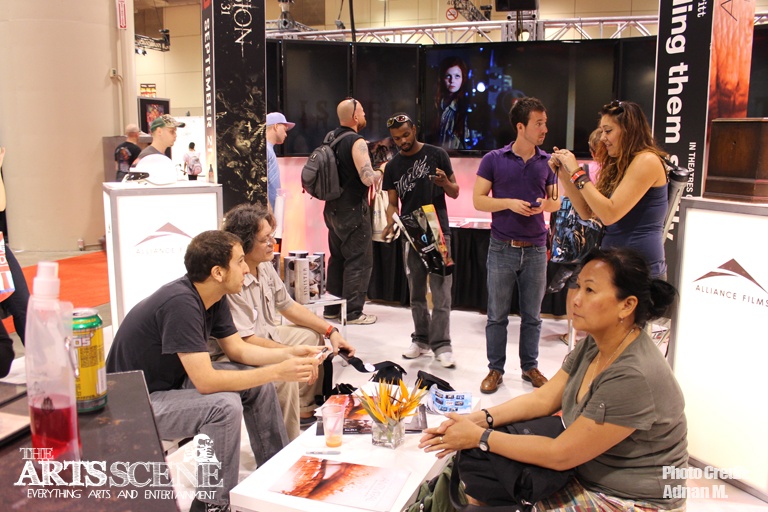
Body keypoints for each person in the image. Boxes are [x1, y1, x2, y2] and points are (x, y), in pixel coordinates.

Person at [419, 247, 687, 511]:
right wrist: (478, 419)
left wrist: (480, 436)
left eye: (590, 290)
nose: (576, 299)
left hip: (629, 498)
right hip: (586, 471)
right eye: (578, 286)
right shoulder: (596, 343)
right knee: (482, 474)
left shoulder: (633, 375)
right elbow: (544, 399)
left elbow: (561, 454)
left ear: (627, 305)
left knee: (491, 468)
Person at [106, 230, 323, 512]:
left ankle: (274, 471)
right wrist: (278, 372)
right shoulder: (181, 304)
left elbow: (238, 350)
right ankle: (212, 503)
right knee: (223, 406)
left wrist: (289, 353)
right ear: (218, 272)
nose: (247, 269)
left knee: (257, 384)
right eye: (240, 262)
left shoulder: (213, 296)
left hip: (168, 386)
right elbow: (206, 381)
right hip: (132, 404)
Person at [221, 203, 357, 440]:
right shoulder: (232, 282)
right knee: (287, 371)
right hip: (238, 351)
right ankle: (285, 443)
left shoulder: (264, 266)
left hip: (265, 336)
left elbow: (288, 306)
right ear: (244, 243)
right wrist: (290, 353)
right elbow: (244, 342)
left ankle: (304, 409)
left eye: (271, 236)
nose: (272, 243)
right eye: (265, 239)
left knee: (310, 336)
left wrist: (331, 331)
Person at [473, 97, 561, 393]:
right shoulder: (493, 159)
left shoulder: (547, 162)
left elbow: (556, 202)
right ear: (520, 126)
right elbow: (478, 200)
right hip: (501, 248)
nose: (544, 129)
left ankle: (530, 367)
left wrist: (544, 205)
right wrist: (509, 203)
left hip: (535, 249)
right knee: (496, 315)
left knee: (532, 316)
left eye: (545, 123)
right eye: (539, 123)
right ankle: (495, 369)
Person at [551, 100, 669, 279]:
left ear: (628, 130)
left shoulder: (647, 161)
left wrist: (576, 172)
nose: (602, 138)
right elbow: (588, 213)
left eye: (608, 131)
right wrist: (564, 175)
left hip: (640, 274)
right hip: (615, 268)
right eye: (602, 131)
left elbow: (609, 214)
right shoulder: (619, 164)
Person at [381, 113, 460, 368]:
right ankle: (421, 340)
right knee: (416, 292)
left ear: (414, 129)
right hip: (411, 232)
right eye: (396, 138)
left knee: (441, 292)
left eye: (406, 135)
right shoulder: (392, 166)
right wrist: (390, 221)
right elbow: (392, 203)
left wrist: (445, 182)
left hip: (437, 230)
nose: (402, 141)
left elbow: (455, 192)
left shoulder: (437, 154)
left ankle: (442, 345)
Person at [322, 98, 382, 325]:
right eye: (363, 111)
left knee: (337, 258)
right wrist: (381, 170)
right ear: (355, 116)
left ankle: (331, 309)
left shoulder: (330, 138)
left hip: (331, 209)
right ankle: (353, 313)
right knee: (359, 260)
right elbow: (367, 179)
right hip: (353, 209)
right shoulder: (356, 141)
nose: (365, 115)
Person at [433, 56, 470, 150]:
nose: (452, 81)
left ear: (463, 78)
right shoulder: (435, 104)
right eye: (448, 76)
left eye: (457, 76)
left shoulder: (466, 107)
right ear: (442, 78)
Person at [265, 112, 295, 210]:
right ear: (276, 126)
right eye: (284, 130)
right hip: (267, 212)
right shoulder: (266, 151)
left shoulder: (268, 150)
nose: (286, 134)